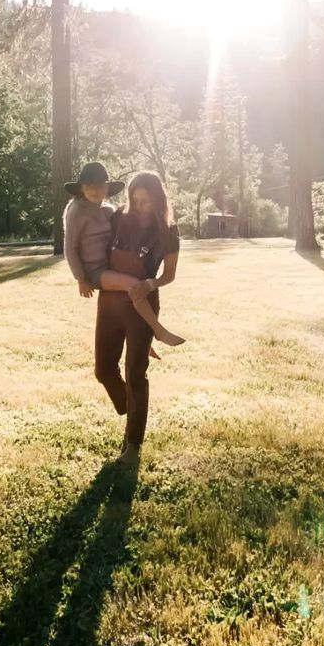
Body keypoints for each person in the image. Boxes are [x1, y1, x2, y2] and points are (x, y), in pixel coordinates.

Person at [92, 171, 182, 459]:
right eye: (135, 200)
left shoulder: (168, 231)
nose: (140, 206)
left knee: (135, 374)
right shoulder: (118, 218)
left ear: (158, 200)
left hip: (142, 305)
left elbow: (169, 275)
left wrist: (150, 283)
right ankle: (132, 409)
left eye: (146, 201)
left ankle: (133, 443)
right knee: (104, 370)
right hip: (109, 304)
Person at [63, 162, 184, 347]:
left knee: (134, 287)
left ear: (107, 189)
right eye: (89, 187)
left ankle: (143, 337)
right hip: (94, 271)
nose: (95, 191)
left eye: (100, 187)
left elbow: (168, 273)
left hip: (109, 269)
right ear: (81, 188)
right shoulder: (76, 211)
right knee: (134, 285)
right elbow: (70, 246)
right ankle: (158, 331)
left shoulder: (109, 211)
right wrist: (81, 279)